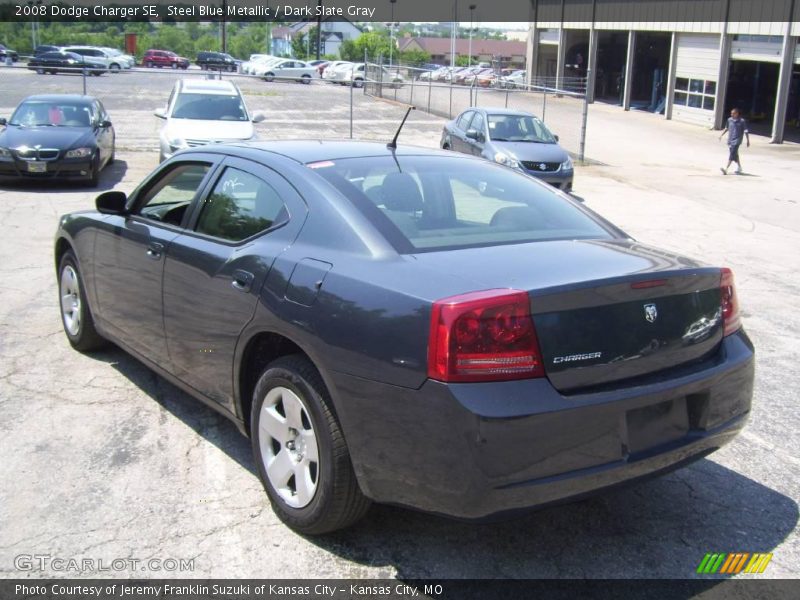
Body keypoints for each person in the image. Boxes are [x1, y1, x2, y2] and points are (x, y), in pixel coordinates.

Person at [719, 108, 750, 175]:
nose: (731, 114)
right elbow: (726, 128)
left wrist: (748, 140)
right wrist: (721, 135)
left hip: (737, 140)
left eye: (733, 113)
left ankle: (726, 168)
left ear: (737, 114)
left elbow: (746, 131)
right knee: (735, 154)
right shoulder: (729, 120)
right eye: (731, 113)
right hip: (730, 140)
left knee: (732, 153)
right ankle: (739, 167)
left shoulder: (742, 121)